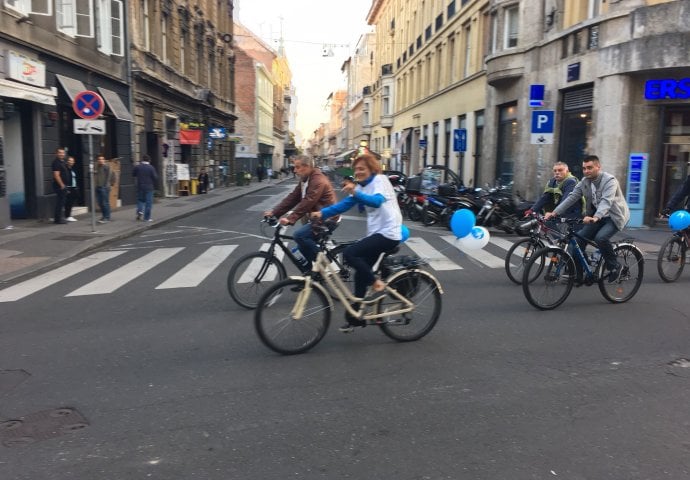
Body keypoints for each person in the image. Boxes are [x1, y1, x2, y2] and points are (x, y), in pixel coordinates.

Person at [312, 152, 403, 333]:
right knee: (360, 274)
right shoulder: (362, 187)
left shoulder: (380, 180)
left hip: (389, 232)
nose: (358, 172)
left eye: (362, 168)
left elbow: (376, 202)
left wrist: (354, 191)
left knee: (350, 254)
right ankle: (356, 318)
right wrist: (322, 213)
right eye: (356, 169)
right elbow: (344, 205)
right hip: (376, 233)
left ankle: (377, 284)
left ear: (372, 169)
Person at [545, 155, 630, 283]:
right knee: (577, 242)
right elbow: (572, 197)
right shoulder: (585, 182)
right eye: (584, 168)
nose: (586, 171)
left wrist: (596, 217)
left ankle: (615, 266)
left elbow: (606, 202)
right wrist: (554, 213)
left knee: (600, 238)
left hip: (614, 217)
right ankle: (580, 276)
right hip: (595, 217)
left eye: (590, 168)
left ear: (598, 167)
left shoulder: (609, 181)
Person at [263, 155, 338, 268]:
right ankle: (310, 276)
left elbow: (308, 201)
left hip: (328, 218)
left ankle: (324, 262)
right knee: (302, 248)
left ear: (307, 166)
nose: (295, 170)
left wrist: (290, 218)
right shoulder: (306, 180)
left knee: (299, 236)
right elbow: (293, 198)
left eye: (297, 167)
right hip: (316, 218)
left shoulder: (317, 180)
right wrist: (275, 213)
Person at [133, 154, 159, 222]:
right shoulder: (151, 167)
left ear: (142, 159)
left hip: (140, 186)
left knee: (140, 200)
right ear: (149, 160)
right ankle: (146, 218)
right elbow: (155, 177)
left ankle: (140, 210)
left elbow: (133, 174)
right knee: (148, 203)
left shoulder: (138, 167)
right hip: (149, 187)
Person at [51, 147, 69, 224]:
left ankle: (60, 218)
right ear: (56, 153)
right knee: (60, 202)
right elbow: (56, 175)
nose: (61, 154)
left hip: (64, 185)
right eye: (60, 152)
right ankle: (58, 219)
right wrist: (62, 185)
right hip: (60, 186)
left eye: (63, 153)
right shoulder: (56, 163)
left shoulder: (63, 162)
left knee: (62, 202)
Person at [95, 155, 115, 223]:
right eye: (99, 159)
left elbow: (112, 175)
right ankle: (104, 216)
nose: (100, 160)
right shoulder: (97, 167)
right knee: (100, 203)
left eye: (102, 159)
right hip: (98, 187)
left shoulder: (107, 167)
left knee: (105, 203)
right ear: (97, 160)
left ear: (104, 160)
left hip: (104, 187)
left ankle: (107, 217)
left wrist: (110, 185)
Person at [64, 156, 79, 222]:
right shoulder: (66, 169)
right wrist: (67, 188)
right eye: (69, 160)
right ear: (67, 161)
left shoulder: (72, 169)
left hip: (74, 187)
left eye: (72, 161)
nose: (71, 162)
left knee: (71, 201)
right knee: (69, 202)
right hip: (69, 187)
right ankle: (68, 216)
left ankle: (68, 215)